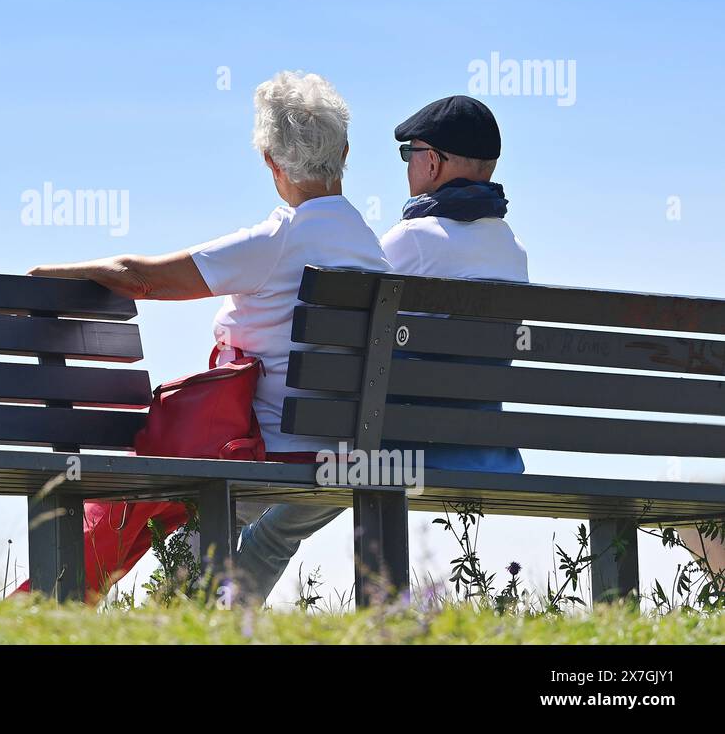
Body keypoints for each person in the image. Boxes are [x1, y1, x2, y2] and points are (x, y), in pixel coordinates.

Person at [27, 70, 390, 594]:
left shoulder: (278, 240)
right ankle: (176, 617)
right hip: (343, 455)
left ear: (271, 162)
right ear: (346, 152)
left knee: (137, 489)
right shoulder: (372, 250)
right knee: (189, 514)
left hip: (263, 453)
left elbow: (144, 279)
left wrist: (46, 277)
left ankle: (47, 604)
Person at [231, 94, 530, 603]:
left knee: (251, 511)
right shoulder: (512, 251)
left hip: (393, 452)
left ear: (431, 160)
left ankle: (189, 619)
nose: (409, 167)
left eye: (409, 153)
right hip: (485, 457)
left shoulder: (414, 241)